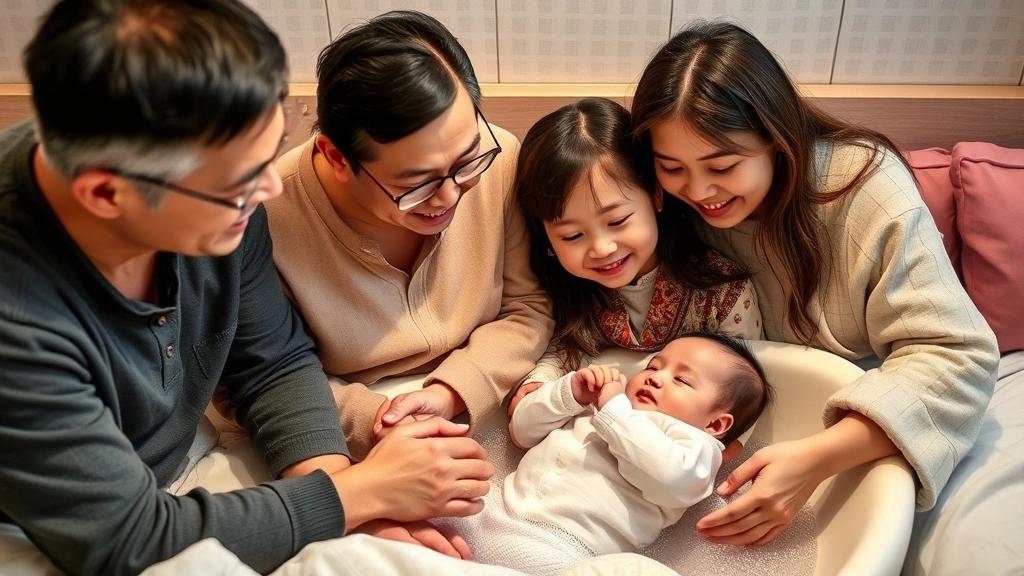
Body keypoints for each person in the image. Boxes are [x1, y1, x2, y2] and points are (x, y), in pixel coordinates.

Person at [0, 1, 493, 574]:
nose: (269, 190)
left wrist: (349, 492)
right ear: (106, 196)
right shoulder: (19, 320)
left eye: (270, 151)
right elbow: (126, 540)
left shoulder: (209, 173)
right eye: (240, 183)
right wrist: (359, 495)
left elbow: (270, 360)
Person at [629, 19, 999, 552]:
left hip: (858, 422)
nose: (700, 191)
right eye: (672, 167)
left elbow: (957, 354)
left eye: (723, 165)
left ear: (777, 139)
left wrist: (817, 457)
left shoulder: (863, 184)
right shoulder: (664, 207)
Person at [264, 10, 553, 459]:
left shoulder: (500, 161)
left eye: (466, 161)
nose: (450, 196)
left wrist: (450, 393)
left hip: (478, 401)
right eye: (416, 184)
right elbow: (264, 375)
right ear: (336, 157)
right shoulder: (264, 219)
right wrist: (376, 420)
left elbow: (528, 307)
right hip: (344, 430)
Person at [507, 97, 760, 424]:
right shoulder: (565, 292)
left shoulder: (724, 293)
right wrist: (537, 383)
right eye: (572, 236)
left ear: (656, 195)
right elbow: (562, 350)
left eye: (617, 221)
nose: (601, 248)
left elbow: (746, 398)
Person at [446, 332, 773, 576]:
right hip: (488, 510)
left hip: (563, 551)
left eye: (681, 380)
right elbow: (521, 432)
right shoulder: (601, 402)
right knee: (435, 482)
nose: (655, 377)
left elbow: (674, 480)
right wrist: (568, 395)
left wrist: (615, 411)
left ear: (715, 423)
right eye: (654, 366)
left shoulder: (695, 446)